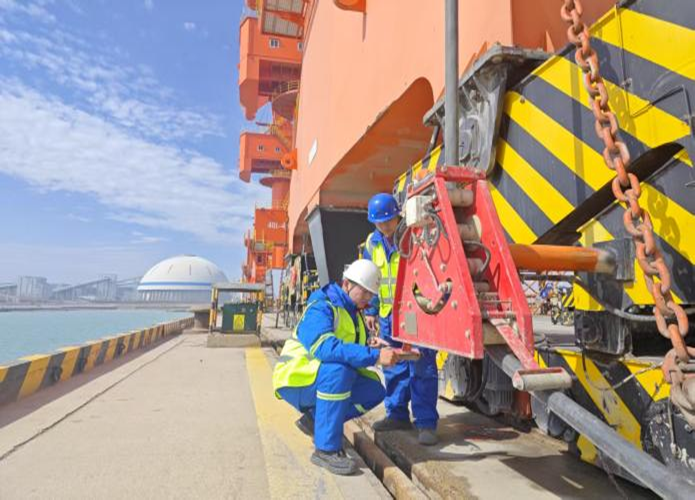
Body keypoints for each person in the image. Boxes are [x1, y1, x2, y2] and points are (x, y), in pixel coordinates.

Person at [272, 259, 399, 476]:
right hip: (296, 378)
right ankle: (326, 449)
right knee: (339, 372)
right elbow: (325, 347)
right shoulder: (322, 306)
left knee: (374, 389)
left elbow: (347, 343)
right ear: (347, 284)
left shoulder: (353, 311)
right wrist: (376, 356)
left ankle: (314, 419)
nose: (368, 298)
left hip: (317, 377)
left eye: (371, 294)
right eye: (364, 292)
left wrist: (370, 345)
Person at [361, 193, 439, 445]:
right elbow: (371, 279)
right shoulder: (372, 244)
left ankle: (426, 423)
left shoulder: (416, 235)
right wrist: (371, 310)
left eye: (388, 221)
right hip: (387, 314)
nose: (384, 226)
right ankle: (396, 415)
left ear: (398, 216)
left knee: (422, 366)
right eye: (379, 222)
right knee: (393, 365)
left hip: (415, 313)